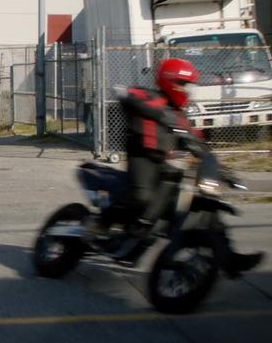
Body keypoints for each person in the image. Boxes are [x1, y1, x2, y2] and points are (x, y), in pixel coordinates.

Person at [112, 58, 264, 276]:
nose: (186, 90)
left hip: (166, 169)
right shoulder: (149, 96)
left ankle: (228, 257)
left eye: (188, 86)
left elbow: (199, 146)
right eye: (183, 84)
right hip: (143, 158)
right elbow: (125, 93)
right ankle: (109, 225)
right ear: (169, 81)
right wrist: (156, 113)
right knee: (142, 197)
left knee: (205, 209)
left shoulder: (180, 117)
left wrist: (222, 172)